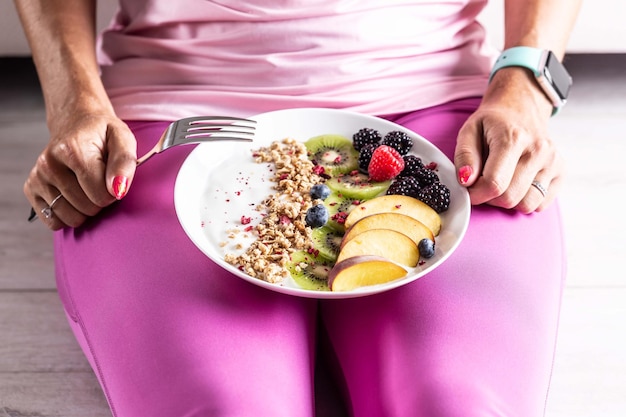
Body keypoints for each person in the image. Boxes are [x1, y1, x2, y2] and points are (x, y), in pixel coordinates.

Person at [15, 1, 581, 416]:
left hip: (436, 117)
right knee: (225, 406)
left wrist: (525, 89)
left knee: (457, 405)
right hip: (179, 118)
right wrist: (74, 105)